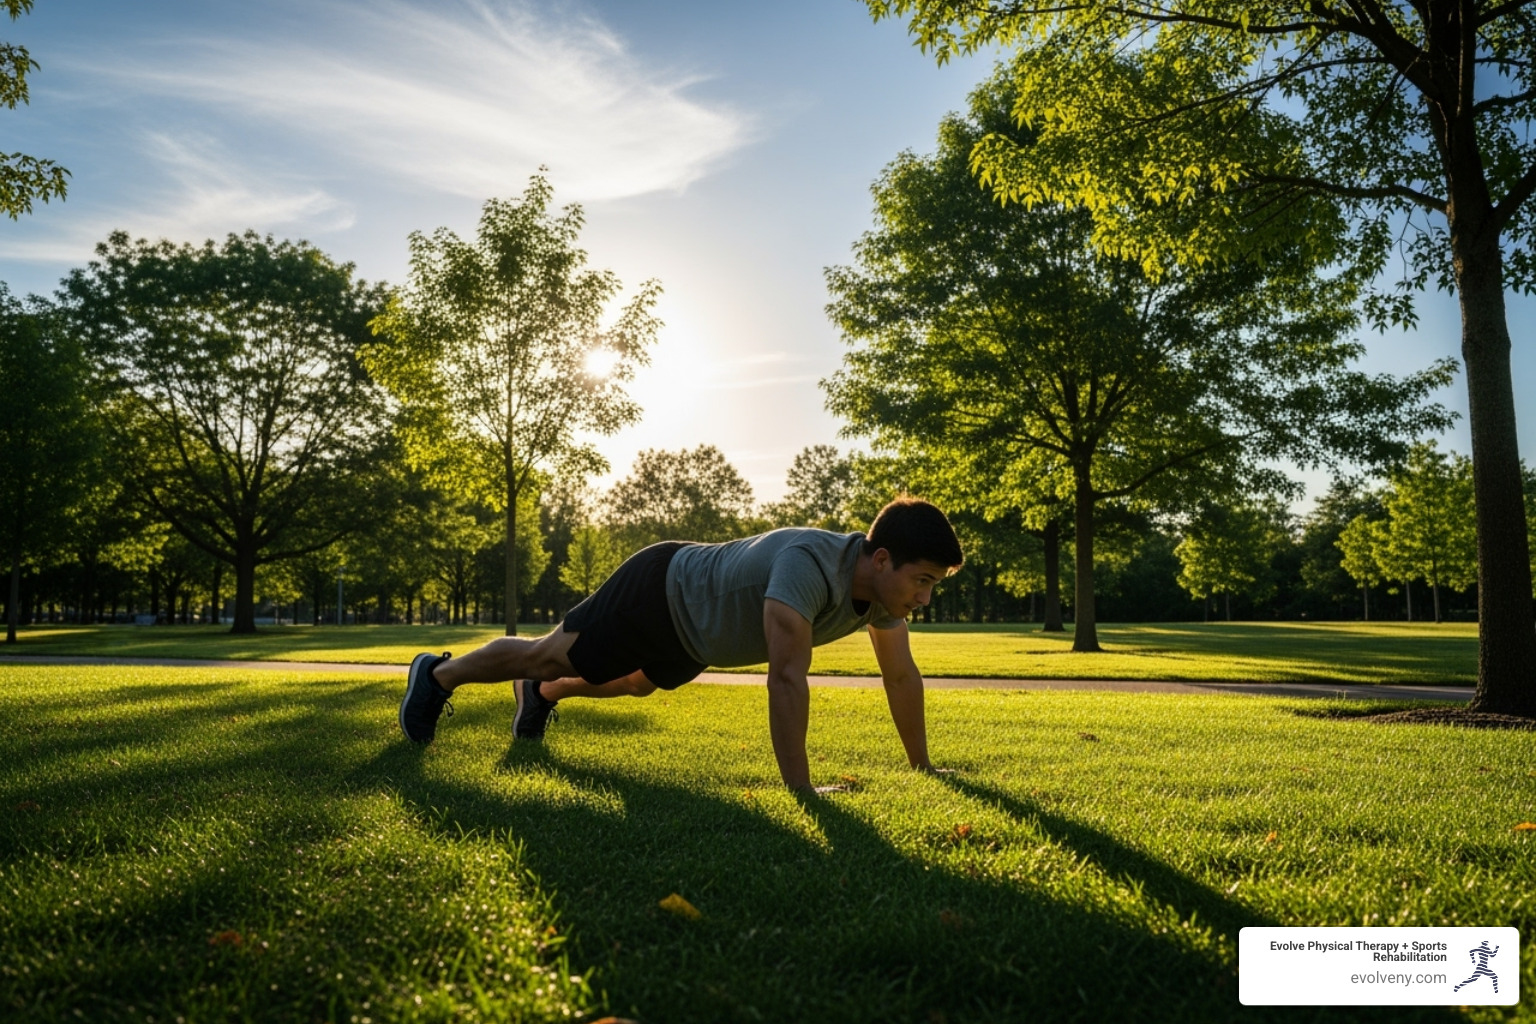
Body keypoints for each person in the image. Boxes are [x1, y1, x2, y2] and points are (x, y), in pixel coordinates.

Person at [397, 497, 964, 792]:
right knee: (549, 650)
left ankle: (541, 695)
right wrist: (802, 790)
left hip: (698, 634)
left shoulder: (886, 601)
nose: (924, 598)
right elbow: (787, 677)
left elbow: (901, 676)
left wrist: (923, 767)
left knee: (638, 683)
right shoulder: (809, 565)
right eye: (924, 581)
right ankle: (436, 676)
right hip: (662, 588)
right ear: (883, 559)